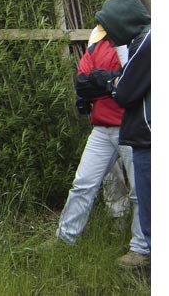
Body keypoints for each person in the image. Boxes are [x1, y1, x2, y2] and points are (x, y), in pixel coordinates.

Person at [54, 23, 150, 267]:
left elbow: (131, 84)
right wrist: (110, 83)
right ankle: (65, 239)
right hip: (101, 127)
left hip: (130, 126)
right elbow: (83, 81)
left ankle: (141, 248)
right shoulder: (98, 41)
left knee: (141, 191)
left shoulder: (138, 41)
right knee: (83, 183)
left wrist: (109, 82)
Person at [91, 0, 151, 252]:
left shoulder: (146, 42)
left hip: (144, 133)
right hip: (118, 127)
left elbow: (125, 92)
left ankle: (143, 252)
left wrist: (111, 82)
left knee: (146, 198)